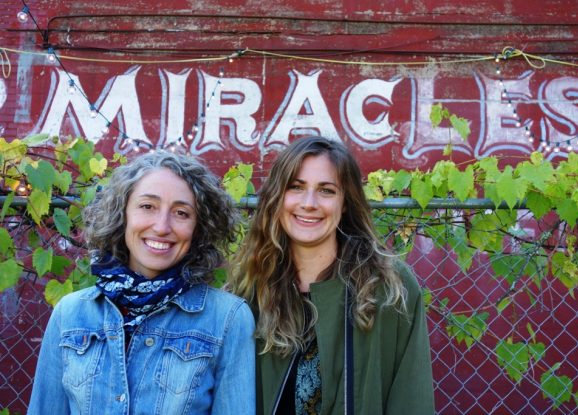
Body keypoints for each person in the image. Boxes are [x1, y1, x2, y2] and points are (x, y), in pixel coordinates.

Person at [28, 150, 255, 414]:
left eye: (181, 213)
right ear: (123, 214)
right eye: (147, 206)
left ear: (198, 227)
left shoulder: (228, 319)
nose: (161, 226)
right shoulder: (70, 314)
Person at [229, 136, 434, 414]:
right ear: (278, 197)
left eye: (326, 191)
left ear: (345, 202)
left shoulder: (387, 286)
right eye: (296, 187)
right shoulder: (250, 288)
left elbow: (411, 396)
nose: (309, 203)